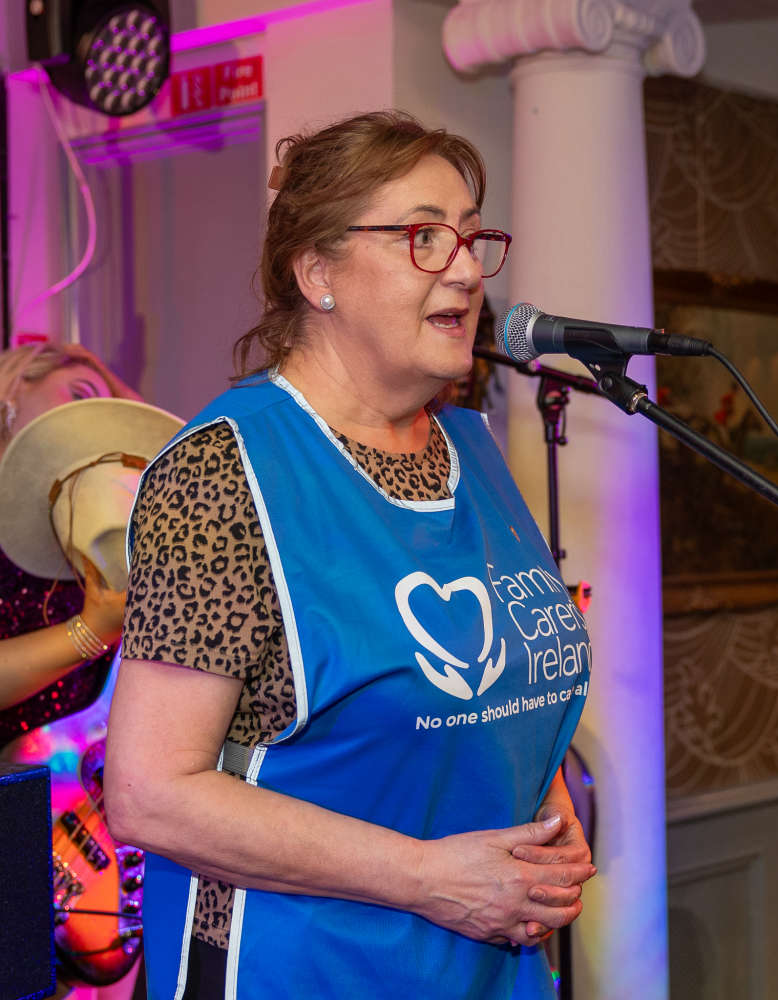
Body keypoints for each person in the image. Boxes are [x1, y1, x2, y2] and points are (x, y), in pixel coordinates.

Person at [105, 110, 595, 1000]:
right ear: (317, 272)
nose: (464, 268)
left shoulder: (472, 450)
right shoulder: (225, 473)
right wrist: (428, 877)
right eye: (422, 238)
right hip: (301, 968)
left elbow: (492, 688)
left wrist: (546, 810)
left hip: (484, 966)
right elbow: (150, 793)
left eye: (471, 238)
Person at [0, 342, 140, 731]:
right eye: (80, 395)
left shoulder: (84, 537)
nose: (91, 419)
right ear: (18, 384)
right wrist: (90, 631)